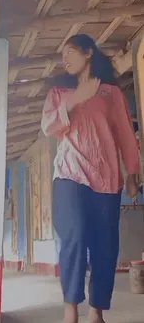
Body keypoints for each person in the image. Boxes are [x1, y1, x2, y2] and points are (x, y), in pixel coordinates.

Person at [41, 34, 139, 323]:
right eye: (62, 56)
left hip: (107, 180)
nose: (65, 59)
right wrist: (74, 101)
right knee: (74, 237)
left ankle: (96, 311)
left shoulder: (111, 94)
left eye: (70, 52)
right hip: (69, 177)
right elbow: (48, 126)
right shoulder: (59, 93)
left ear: (88, 53)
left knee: (105, 245)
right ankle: (71, 307)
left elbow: (125, 136)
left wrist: (132, 173)